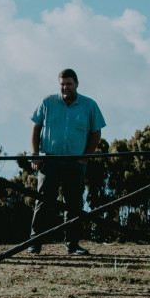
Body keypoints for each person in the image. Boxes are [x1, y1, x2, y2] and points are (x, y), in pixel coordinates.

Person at [29, 69, 106, 256]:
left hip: (75, 162)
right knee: (44, 202)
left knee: (73, 204)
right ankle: (34, 243)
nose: (65, 87)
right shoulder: (47, 102)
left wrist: (86, 157)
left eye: (69, 84)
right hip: (50, 160)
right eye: (62, 84)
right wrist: (35, 154)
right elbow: (36, 128)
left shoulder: (89, 105)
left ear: (77, 84)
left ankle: (72, 245)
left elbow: (96, 133)